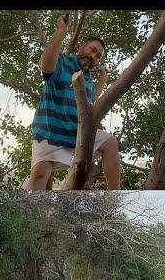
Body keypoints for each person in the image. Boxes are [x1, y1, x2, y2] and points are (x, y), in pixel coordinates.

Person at [26, 14, 121, 190]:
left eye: (98, 56)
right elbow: (46, 66)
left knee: (111, 143)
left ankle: (114, 193)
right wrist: (61, 31)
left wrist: (103, 77)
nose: (94, 56)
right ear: (82, 46)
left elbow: (94, 96)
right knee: (40, 173)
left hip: (76, 134)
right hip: (49, 132)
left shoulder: (87, 79)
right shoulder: (62, 61)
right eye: (92, 50)